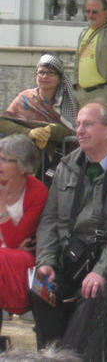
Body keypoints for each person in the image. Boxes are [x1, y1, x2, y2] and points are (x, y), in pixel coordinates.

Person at [30, 102, 107, 353]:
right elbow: (49, 220)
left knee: (93, 298)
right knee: (39, 290)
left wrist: (101, 271)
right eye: (78, 124)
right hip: (67, 261)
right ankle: (48, 356)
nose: (79, 130)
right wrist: (46, 262)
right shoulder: (67, 166)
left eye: (88, 124)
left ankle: (69, 356)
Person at [0, 135, 49, 351]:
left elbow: (16, 239)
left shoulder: (37, 192)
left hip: (25, 265)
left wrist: (2, 210)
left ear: (21, 166)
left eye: (4, 159)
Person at [2, 54, 78, 152]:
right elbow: (4, 123)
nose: (45, 76)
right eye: (41, 72)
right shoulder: (25, 98)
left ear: (60, 79)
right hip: (26, 153)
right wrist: (29, 133)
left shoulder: (69, 102)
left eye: (51, 73)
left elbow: (75, 129)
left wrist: (53, 130)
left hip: (59, 157)